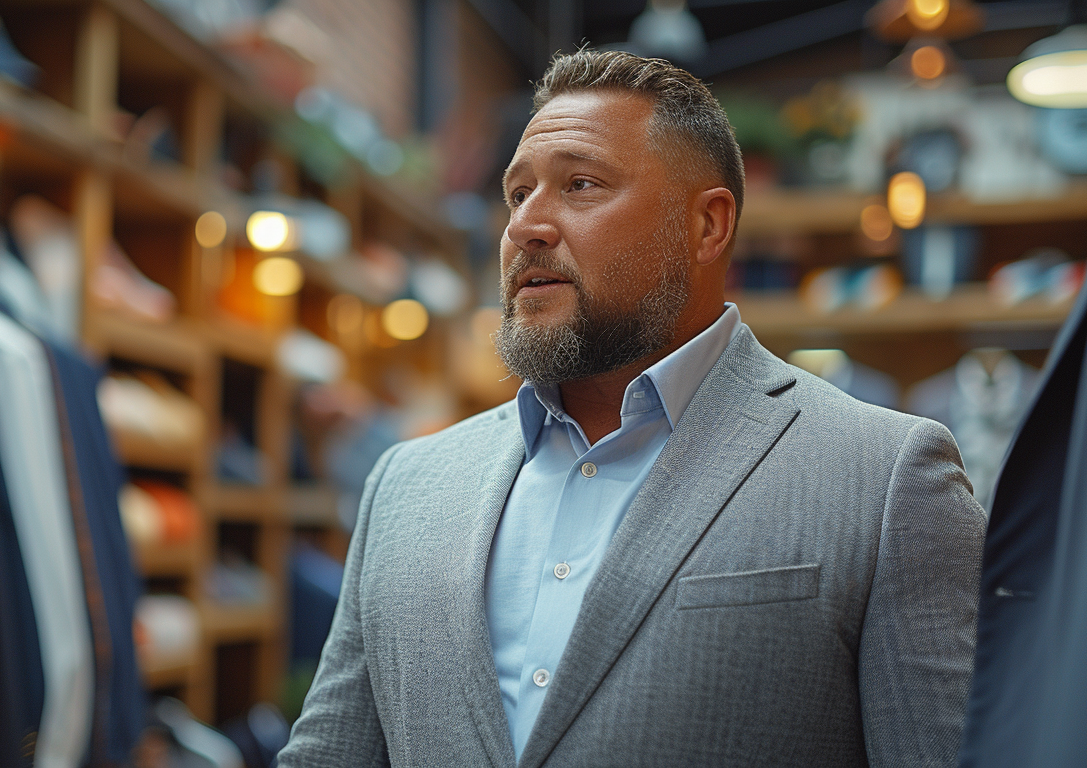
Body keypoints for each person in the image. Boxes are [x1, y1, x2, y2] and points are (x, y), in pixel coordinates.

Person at [277, 50, 984, 768]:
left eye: (580, 185)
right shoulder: (407, 486)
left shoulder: (886, 478)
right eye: (517, 195)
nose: (527, 227)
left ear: (707, 226)